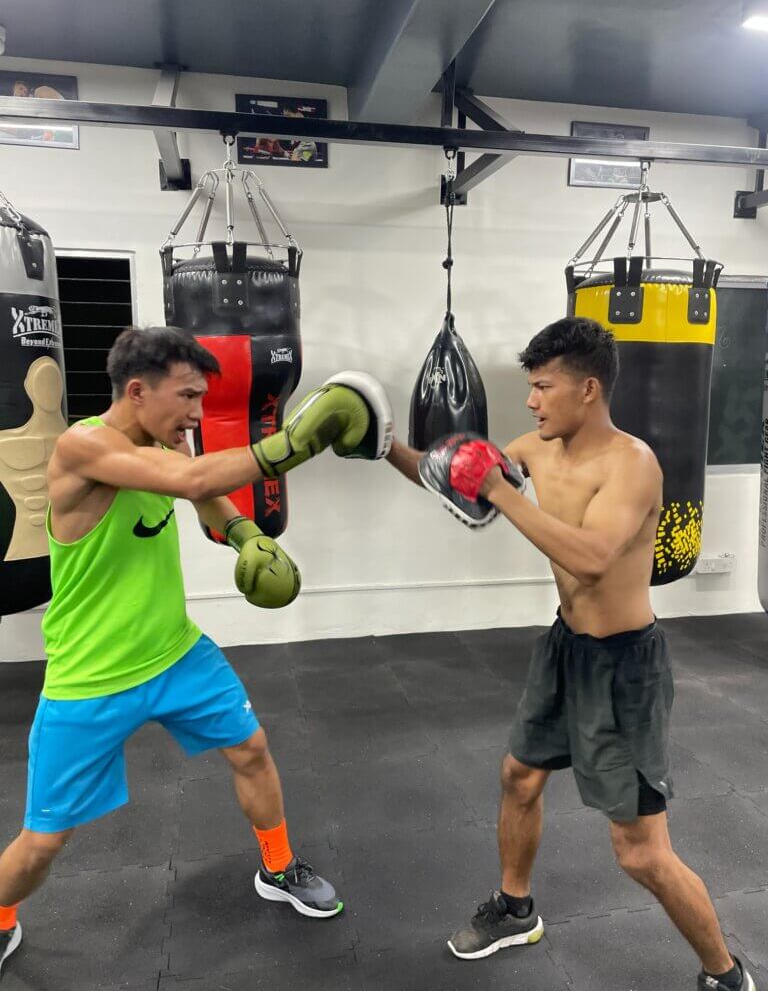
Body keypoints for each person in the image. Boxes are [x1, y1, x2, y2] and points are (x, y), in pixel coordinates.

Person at [0, 326, 391, 977]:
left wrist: (241, 534)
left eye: (202, 397)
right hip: (89, 678)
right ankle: (2, 917)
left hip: (177, 654)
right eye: (187, 395)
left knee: (252, 749)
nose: (195, 411)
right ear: (136, 390)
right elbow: (194, 474)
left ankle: (278, 867)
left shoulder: (161, 444)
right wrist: (297, 441)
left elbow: (199, 490)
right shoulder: (83, 446)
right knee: (43, 842)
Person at [386, 317, 755, 991]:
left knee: (640, 854)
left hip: (625, 670)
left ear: (588, 389)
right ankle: (514, 908)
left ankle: (726, 973)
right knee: (519, 776)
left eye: (542, 387)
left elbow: (588, 559)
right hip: (565, 648)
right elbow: (452, 477)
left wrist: (498, 488)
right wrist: (382, 445)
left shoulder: (633, 464)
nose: (531, 401)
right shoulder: (534, 447)